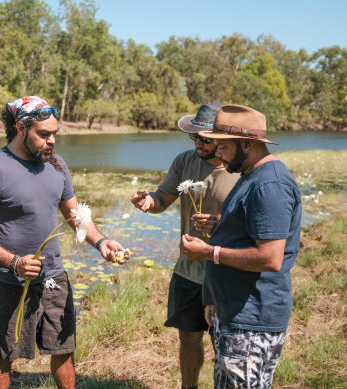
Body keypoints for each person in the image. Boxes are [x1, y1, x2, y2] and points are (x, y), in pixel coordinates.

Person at [0, 96, 128, 389]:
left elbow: (74, 215)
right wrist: (12, 262)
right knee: (4, 354)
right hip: (10, 282)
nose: (52, 141)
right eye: (44, 134)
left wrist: (100, 241)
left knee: (64, 350)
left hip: (55, 277)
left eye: (54, 134)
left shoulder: (57, 165)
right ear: (21, 127)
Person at [180, 104, 302, 388]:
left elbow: (271, 257)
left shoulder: (269, 184)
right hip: (234, 311)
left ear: (248, 143)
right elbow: (249, 233)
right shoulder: (250, 177)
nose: (217, 153)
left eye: (223, 146)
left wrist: (210, 252)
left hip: (252, 321)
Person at [130, 103, 239, 388]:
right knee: (188, 336)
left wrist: (219, 224)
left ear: (224, 139)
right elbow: (163, 198)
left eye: (205, 138)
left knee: (224, 341)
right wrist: (147, 202)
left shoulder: (240, 171)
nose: (198, 143)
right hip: (188, 271)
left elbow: (251, 226)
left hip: (225, 270)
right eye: (194, 136)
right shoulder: (184, 161)